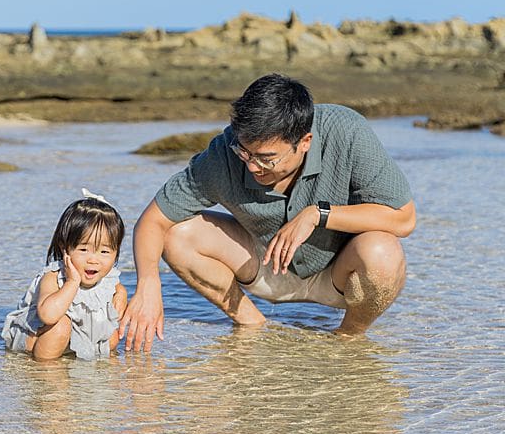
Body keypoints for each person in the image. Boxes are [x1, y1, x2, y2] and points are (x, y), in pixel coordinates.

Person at [119, 74, 416, 353]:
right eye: (245, 153)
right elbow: (153, 220)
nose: (251, 166)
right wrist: (148, 284)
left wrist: (317, 214)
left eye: (266, 159)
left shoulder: (347, 131)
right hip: (265, 267)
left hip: (338, 276)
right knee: (176, 234)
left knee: (383, 252)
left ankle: (348, 338)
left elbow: (404, 218)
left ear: (305, 142)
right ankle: (254, 325)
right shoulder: (224, 153)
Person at [2, 190, 130, 359]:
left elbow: (115, 287)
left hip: (80, 336)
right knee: (60, 326)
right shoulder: (53, 277)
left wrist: (122, 292)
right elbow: (48, 316)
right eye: (84, 249)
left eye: (105, 251)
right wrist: (72, 282)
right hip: (39, 335)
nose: (94, 260)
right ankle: (46, 372)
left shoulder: (108, 277)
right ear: (65, 248)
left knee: (112, 335)